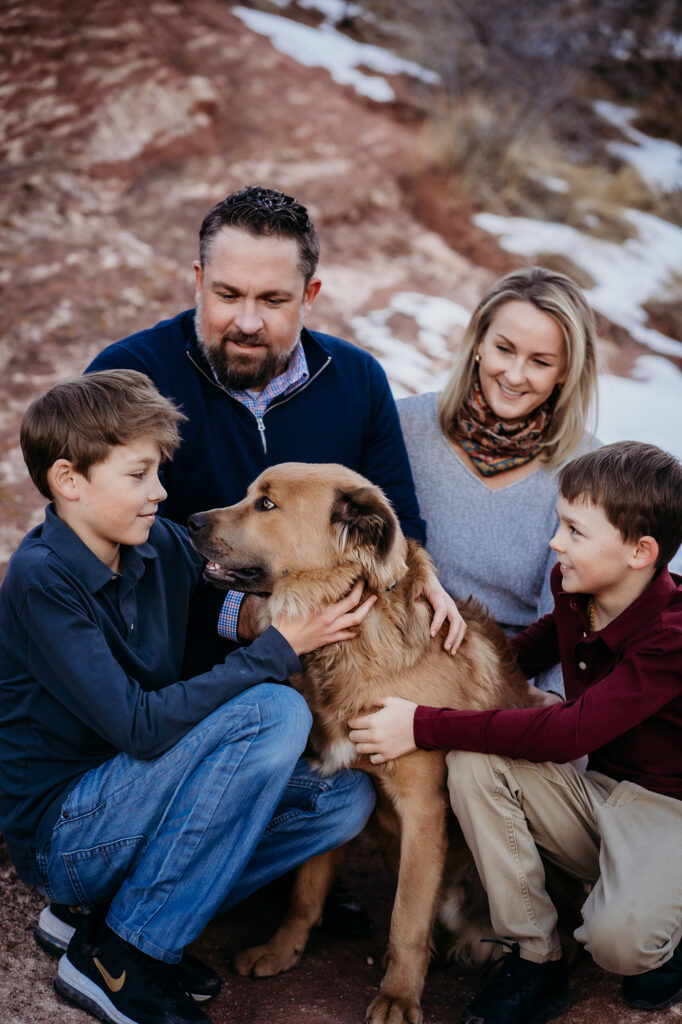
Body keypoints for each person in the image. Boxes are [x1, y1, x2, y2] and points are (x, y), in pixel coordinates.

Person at [0, 370, 378, 1024]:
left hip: (138, 802)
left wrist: (293, 617)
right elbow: (140, 728)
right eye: (140, 475)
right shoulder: (42, 580)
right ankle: (122, 954)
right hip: (66, 831)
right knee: (275, 709)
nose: (161, 492)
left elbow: (224, 606)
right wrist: (280, 648)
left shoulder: (156, 547)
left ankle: (111, 915)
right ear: (69, 481)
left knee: (342, 800)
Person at [348, 441, 682, 1024]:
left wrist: (421, 722)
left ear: (640, 551)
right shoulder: (576, 589)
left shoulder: (672, 637)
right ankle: (535, 959)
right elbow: (538, 644)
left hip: (666, 811)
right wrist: (456, 654)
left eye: (576, 531)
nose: (556, 543)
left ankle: (664, 923)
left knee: (617, 946)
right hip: (598, 795)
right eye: (560, 523)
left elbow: (566, 734)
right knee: (474, 762)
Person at [86, 185, 464, 662]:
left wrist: (415, 574)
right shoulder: (128, 377)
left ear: (310, 295)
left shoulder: (359, 379)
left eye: (272, 300)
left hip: (327, 659)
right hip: (162, 667)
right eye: (227, 295)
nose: (247, 321)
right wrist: (243, 618)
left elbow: (398, 525)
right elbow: (98, 548)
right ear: (198, 281)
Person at [397, 265, 599, 694]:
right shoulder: (404, 426)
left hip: (510, 681)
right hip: (398, 657)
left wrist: (548, 712)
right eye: (504, 349)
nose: (513, 375)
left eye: (540, 362)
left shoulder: (588, 469)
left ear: (565, 371)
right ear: (478, 345)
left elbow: (570, 620)